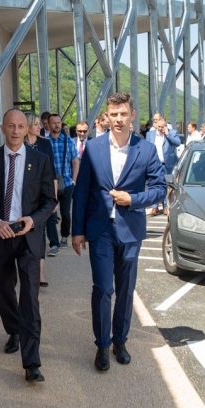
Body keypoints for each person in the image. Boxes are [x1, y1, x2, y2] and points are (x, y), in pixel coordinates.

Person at [72, 92, 167, 371]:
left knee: (126, 291)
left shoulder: (145, 150)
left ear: (132, 115)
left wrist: (133, 199)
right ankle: (102, 345)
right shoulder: (93, 148)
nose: (118, 119)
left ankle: (120, 341)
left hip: (130, 230)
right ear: (107, 116)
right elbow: (81, 191)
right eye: (113, 114)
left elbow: (160, 189)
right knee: (103, 288)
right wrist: (77, 230)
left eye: (123, 113)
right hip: (100, 228)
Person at [0, 109, 56, 382]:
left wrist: (34, 220)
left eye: (20, 126)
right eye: (11, 126)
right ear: (2, 128)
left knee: (29, 296)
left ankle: (32, 362)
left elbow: (50, 201)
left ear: (27, 128)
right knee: (5, 291)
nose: (16, 131)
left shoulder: (40, 161)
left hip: (28, 237)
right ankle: (14, 330)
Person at [25, 113, 58, 287]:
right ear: (28, 126)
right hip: (25, 195)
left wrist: (54, 198)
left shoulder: (45, 144)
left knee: (41, 231)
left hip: (43, 194)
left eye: (39, 124)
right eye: (36, 124)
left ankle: (40, 273)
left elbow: (52, 173)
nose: (40, 127)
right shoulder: (20, 144)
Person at [47, 113, 79, 255]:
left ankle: (65, 236)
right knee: (50, 214)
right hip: (49, 185)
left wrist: (74, 180)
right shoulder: (45, 142)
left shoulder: (69, 141)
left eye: (59, 122)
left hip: (66, 183)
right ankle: (54, 243)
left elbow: (75, 161)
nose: (57, 125)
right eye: (54, 122)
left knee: (65, 213)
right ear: (48, 125)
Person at [145, 116, 181, 215]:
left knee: (166, 185)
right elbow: (146, 147)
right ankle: (154, 206)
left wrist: (168, 134)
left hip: (167, 164)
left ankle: (165, 206)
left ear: (166, 126)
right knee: (153, 184)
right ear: (156, 126)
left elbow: (178, 142)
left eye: (162, 127)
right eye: (159, 127)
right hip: (154, 163)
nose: (160, 129)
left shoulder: (171, 132)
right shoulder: (150, 134)